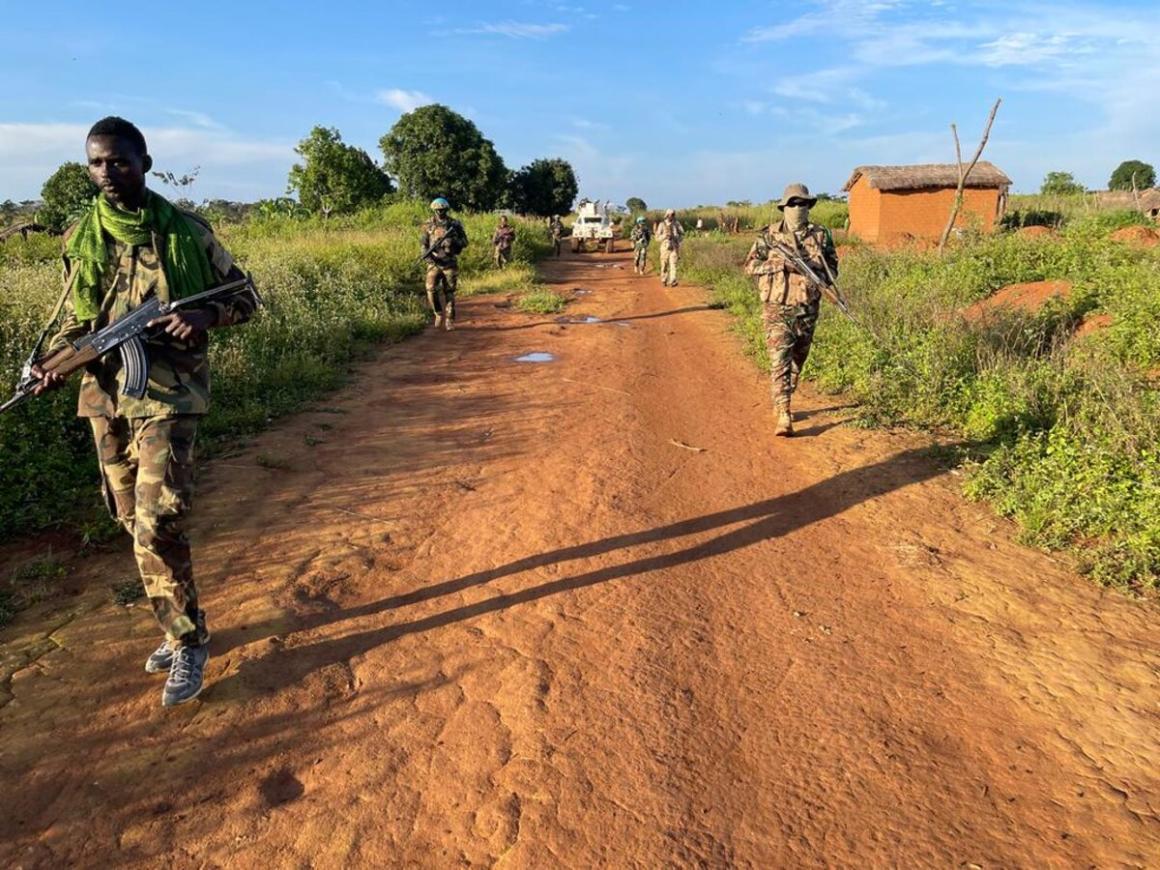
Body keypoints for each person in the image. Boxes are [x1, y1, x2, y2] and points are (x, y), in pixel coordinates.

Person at [30, 116, 259, 706]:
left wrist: (205, 317)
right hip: (105, 401)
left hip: (170, 396)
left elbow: (245, 297)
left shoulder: (185, 232)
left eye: (120, 161)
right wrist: (55, 365)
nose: (108, 172)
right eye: (96, 162)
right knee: (131, 523)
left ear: (145, 163)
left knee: (159, 522)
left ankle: (187, 642)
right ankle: (177, 620)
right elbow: (83, 322)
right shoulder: (82, 237)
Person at [744, 183, 840, 437]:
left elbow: (833, 267)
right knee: (779, 360)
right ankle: (784, 411)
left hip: (807, 307)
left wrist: (815, 272)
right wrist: (778, 265)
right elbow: (750, 266)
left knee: (798, 359)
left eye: (803, 203)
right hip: (777, 307)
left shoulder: (821, 235)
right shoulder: (769, 236)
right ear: (784, 207)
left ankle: (785, 394)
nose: (799, 208)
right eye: (794, 203)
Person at [420, 197, 468, 330]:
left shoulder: (455, 224)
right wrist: (427, 256)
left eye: (442, 210)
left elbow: (465, 242)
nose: (440, 212)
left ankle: (450, 320)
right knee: (430, 289)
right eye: (437, 210)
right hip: (434, 262)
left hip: (449, 262)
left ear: (446, 209)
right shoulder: (428, 224)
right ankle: (438, 313)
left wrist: (454, 241)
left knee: (449, 292)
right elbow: (423, 244)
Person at [655, 208, 684, 286]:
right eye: (671, 214)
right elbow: (657, 238)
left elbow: (682, 234)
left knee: (673, 264)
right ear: (667, 215)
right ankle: (664, 278)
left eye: (673, 214)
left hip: (674, 247)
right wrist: (664, 236)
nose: (672, 216)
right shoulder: (662, 224)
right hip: (665, 247)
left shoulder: (677, 224)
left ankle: (673, 280)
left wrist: (677, 238)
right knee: (664, 264)